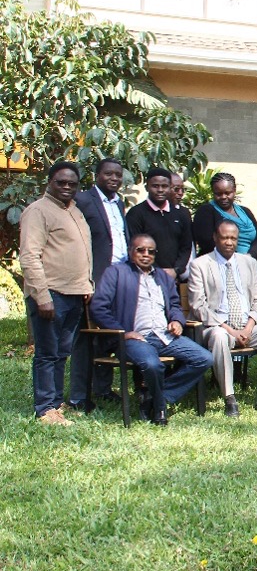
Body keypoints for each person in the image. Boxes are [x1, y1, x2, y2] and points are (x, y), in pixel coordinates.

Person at [89, 234, 214, 425]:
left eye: (151, 251)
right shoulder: (116, 272)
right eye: (140, 250)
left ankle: (157, 398)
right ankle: (160, 408)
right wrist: (123, 332)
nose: (146, 254)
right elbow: (98, 308)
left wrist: (177, 321)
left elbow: (174, 305)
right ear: (131, 251)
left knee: (204, 358)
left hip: (164, 335)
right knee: (152, 364)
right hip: (134, 338)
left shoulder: (163, 277)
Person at [187, 220, 257, 415]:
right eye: (224, 237)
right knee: (219, 337)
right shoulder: (200, 265)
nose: (229, 242)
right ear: (215, 238)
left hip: (246, 327)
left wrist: (249, 327)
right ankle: (229, 398)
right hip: (218, 327)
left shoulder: (249, 262)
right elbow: (198, 305)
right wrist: (230, 330)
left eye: (233, 238)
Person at [19, 161, 94, 426]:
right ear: (49, 182)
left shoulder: (73, 210)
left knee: (62, 353)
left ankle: (55, 404)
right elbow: (29, 256)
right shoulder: (38, 211)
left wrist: (87, 285)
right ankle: (44, 408)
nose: (66, 187)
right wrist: (42, 296)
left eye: (72, 184)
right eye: (61, 182)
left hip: (74, 294)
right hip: (51, 295)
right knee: (47, 353)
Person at [68, 157, 130, 412]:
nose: (114, 179)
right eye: (108, 174)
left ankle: (103, 389)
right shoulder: (82, 201)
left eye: (118, 175)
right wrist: (86, 281)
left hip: (120, 279)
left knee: (108, 336)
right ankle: (79, 394)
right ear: (96, 176)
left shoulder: (119, 203)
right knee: (86, 339)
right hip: (96, 279)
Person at [126, 167, 194, 279]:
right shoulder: (136, 214)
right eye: (155, 186)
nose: (160, 190)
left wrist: (176, 270)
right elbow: (135, 247)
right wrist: (157, 271)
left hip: (174, 276)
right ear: (147, 187)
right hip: (145, 276)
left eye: (165, 186)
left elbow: (186, 246)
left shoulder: (182, 213)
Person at [191, 172, 257, 259]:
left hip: (248, 262)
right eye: (218, 194)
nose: (223, 197)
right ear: (213, 192)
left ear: (234, 191)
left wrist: (250, 256)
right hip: (219, 264)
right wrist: (236, 259)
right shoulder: (206, 212)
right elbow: (207, 243)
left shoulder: (245, 211)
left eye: (228, 193)